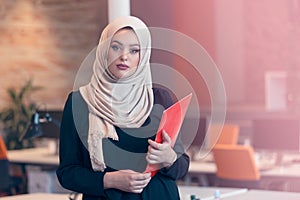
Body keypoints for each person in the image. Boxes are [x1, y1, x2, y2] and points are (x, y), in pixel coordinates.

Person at [56, 15, 190, 200]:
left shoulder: (160, 99)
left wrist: (169, 159)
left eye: (134, 50)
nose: (124, 56)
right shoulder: (79, 102)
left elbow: (182, 167)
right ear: (104, 50)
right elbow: (67, 173)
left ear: (143, 56)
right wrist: (108, 180)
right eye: (116, 47)